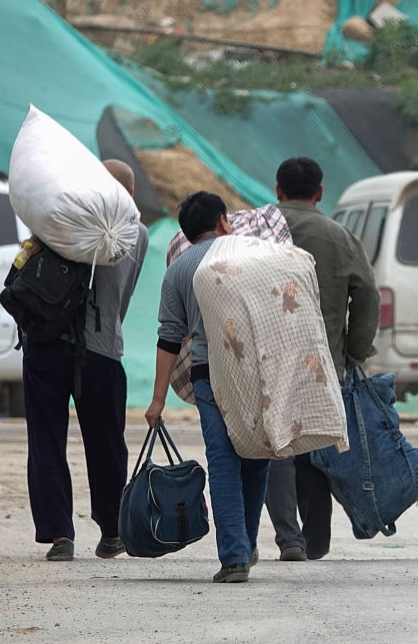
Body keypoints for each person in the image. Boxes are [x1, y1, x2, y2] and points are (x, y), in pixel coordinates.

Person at [24, 159, 150, 562]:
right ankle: (113, 532)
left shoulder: (58, 219)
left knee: (46, 439)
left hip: (45, 344)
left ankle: (60, 534)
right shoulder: (137, 232)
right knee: (107, 443)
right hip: (102, 349)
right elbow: (124, 297)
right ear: (130, 195)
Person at [146, 191, 272, 583]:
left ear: (186, 233)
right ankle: (246, 544)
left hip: (208, 373)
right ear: (222, 221)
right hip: (254, 371)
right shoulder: (251, 254)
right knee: (256, 454)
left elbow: (170, 337)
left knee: (223, 461)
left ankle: (234, 557)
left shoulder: (179, 270)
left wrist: (157, 400)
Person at [265, 157, 380, 561]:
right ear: (319, 193)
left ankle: (282, 535)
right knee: (313, 448)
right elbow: (367, 294)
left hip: (263, 361)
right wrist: (354, 351)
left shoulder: (256, 232)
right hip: (322, 363)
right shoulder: (341, 238)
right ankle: (314, 539)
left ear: (277, 190)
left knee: (270, 445)